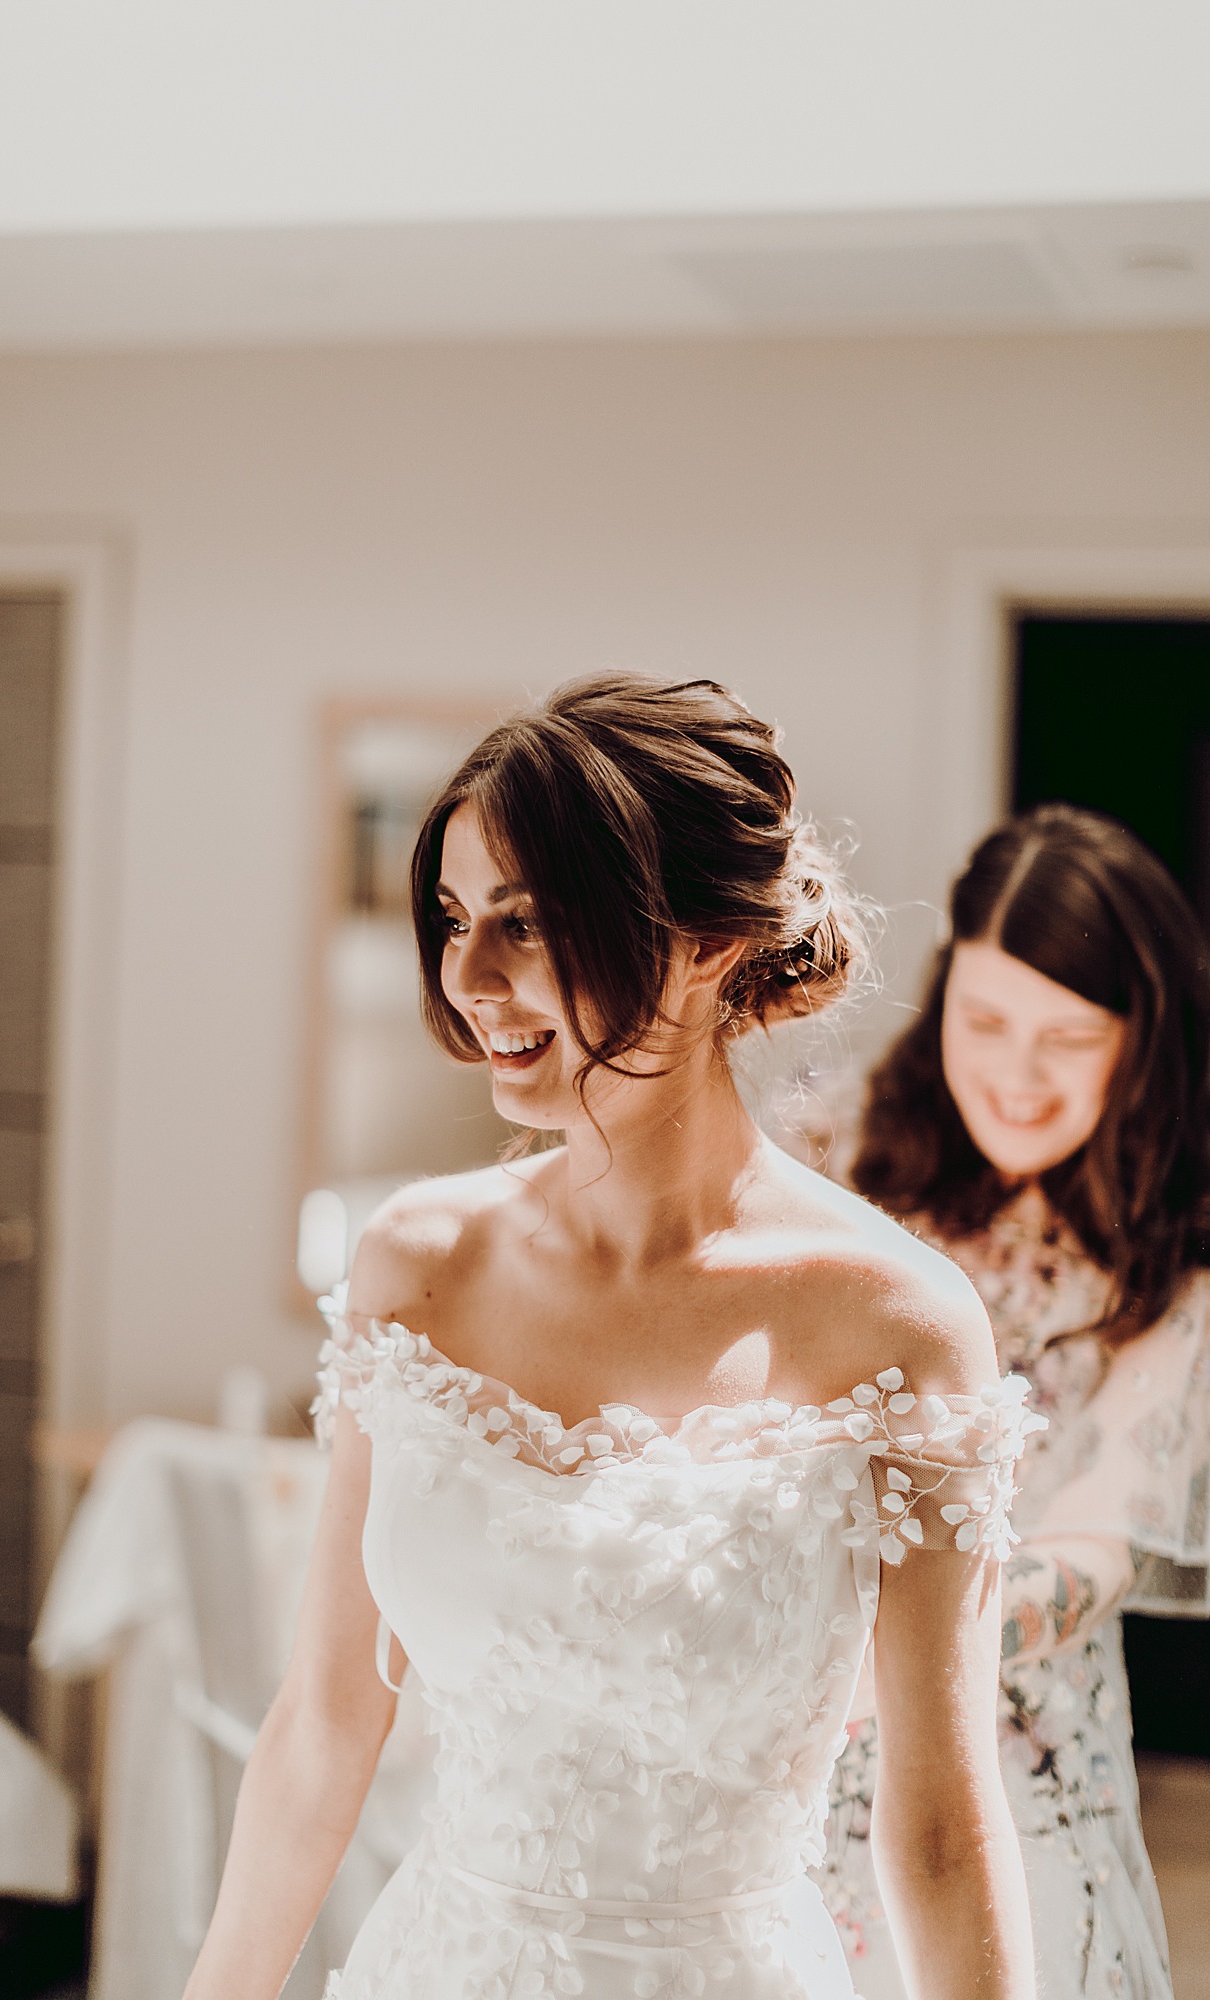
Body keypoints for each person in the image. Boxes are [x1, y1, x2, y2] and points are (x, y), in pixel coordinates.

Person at [184, 674, 1037, 2000]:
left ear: (705, 943)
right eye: (458, 921)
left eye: (525, 925)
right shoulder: (416, 1265)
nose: (470, 981)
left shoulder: (900, 1328)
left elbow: (935, 1828)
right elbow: (323, 1727)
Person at [814, 803, 1210, 2000]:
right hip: (800, 1770)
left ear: (1142, 1043)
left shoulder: (1179, 1259)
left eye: (1068, 1036)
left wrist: (921, 1643)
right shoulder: (833, 1163)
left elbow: (1104, 1535)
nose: (1015, 1072)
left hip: (1020, 1780)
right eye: (983, 1020)